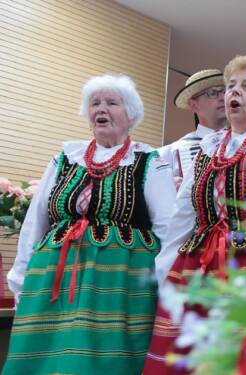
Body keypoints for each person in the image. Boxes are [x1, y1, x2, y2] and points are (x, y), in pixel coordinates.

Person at [3, 74, 175, 374]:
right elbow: (35, 222)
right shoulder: (65, 159)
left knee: (102, 361)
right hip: (53, 283)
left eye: (111, 102)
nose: (101, 109)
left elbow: (168, 229)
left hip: (118, 285)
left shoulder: (150, 161)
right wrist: (21, 279)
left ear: (131, 115)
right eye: (95, 103)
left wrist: (166, 289)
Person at [143, 55, 246, 374]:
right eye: (230, 86)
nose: (234, 92)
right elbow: (183, 216)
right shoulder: (207, 151)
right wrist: (165, 271)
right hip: (196, 268)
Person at [159, 69, 227, 187]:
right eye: (212, 93)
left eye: (225, 92)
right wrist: (165, 189)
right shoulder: (170, 153)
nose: (222, 97)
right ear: (193, 105)